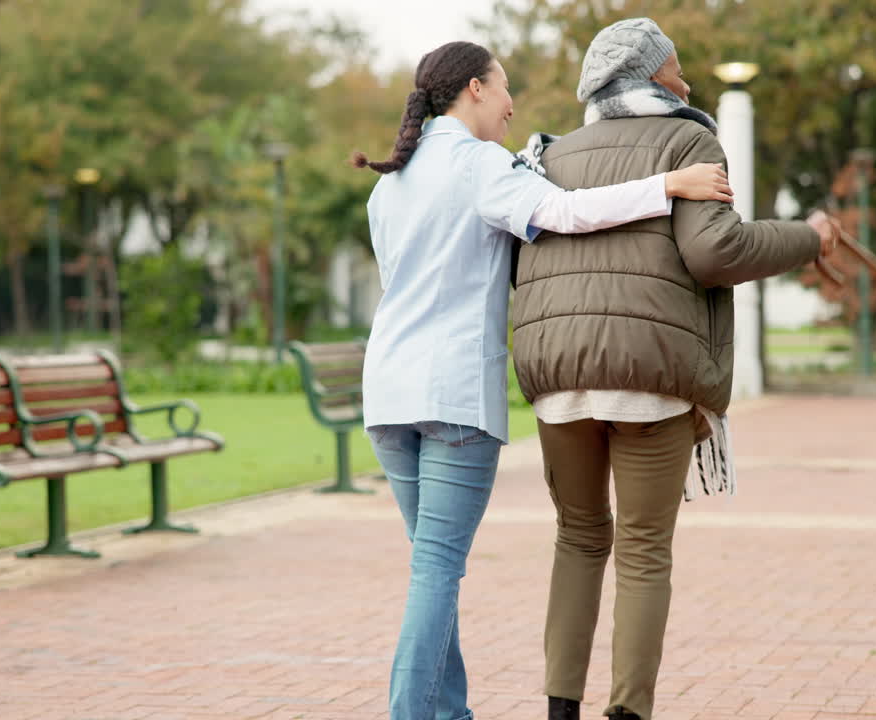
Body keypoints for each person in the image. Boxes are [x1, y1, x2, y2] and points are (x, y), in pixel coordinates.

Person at [351, 40, 735, 720]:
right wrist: (668, 186)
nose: (511, 105)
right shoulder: (479, 165)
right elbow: (568, 212)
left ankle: (448, 713)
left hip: (386, 391)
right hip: (453, 395)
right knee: (436, 570)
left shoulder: (392, 181)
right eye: (503, 89)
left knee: (431, 571)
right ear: (473, 88)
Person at [509, 18, 841, 720]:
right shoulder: (688, 140)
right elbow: (716, 253)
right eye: (677, 66)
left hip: (558, 378)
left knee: (577, 537)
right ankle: (628, 713)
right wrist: (808, 238)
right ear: (654, 76)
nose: (686, 79)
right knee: (641, 549)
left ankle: (560, 711)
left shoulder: (552, 155)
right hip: (650, 375)